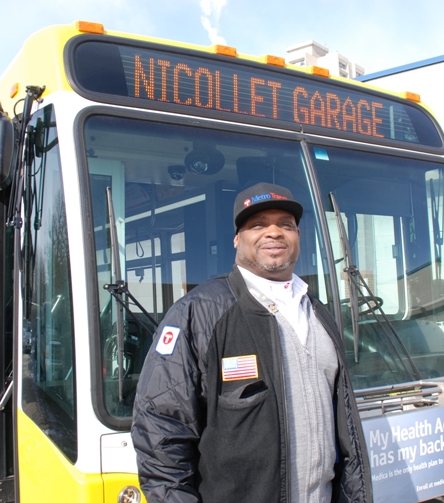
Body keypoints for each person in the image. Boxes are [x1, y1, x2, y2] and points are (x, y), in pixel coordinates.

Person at [132, 182, 371, 503]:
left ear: (298, 236)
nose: (274, 232)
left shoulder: (318, 312)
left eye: (285, 225)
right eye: (258, 225)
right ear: (236, 239)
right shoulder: (199, 313)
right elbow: (160, 431)